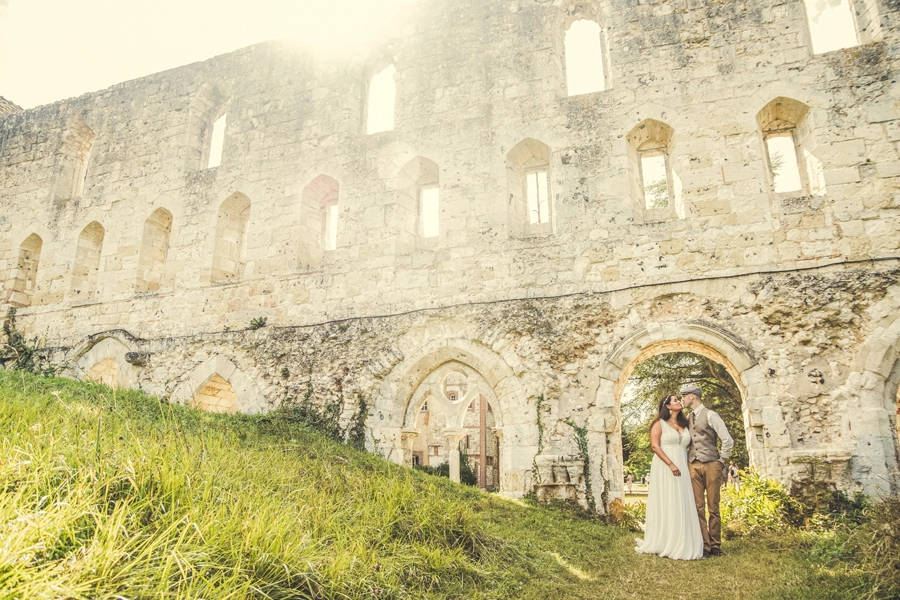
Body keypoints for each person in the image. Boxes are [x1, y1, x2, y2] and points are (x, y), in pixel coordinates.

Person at [635, 394, 704, 560]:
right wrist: (671, 464)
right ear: (667, 406)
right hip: (665, 465)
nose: (679, 402)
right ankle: (666, 540)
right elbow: (655, 446)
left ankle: (685, 540)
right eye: (675, 400)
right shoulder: (659, 424)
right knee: (668, 499)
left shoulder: (684, 423)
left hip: (683, 462)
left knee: (682, 500)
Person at [681, 384, 734, 558]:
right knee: (698, 507)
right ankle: (704, 546)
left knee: (713, 507)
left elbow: (727, 440)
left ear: (692, 397)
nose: (682, 399)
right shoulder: (687, 418)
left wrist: (721, 461)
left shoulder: (711, 415)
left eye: (684, 396)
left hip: (711, 463)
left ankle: (716, 545)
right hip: (693, 464)